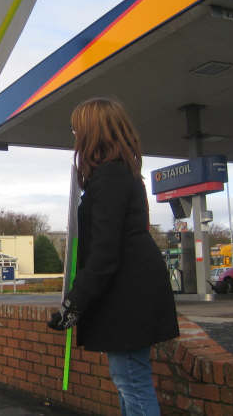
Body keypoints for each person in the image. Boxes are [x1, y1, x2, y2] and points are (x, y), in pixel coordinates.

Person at [48, 98, 180, 416]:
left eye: (76, 129)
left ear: (92, 131)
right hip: (133, 287)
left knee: (131, 381)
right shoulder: (121, 173)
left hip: (128, 293)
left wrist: (74, 303)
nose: (74, 136)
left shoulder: (109, 177)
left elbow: (104, 253)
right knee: (128, 380)